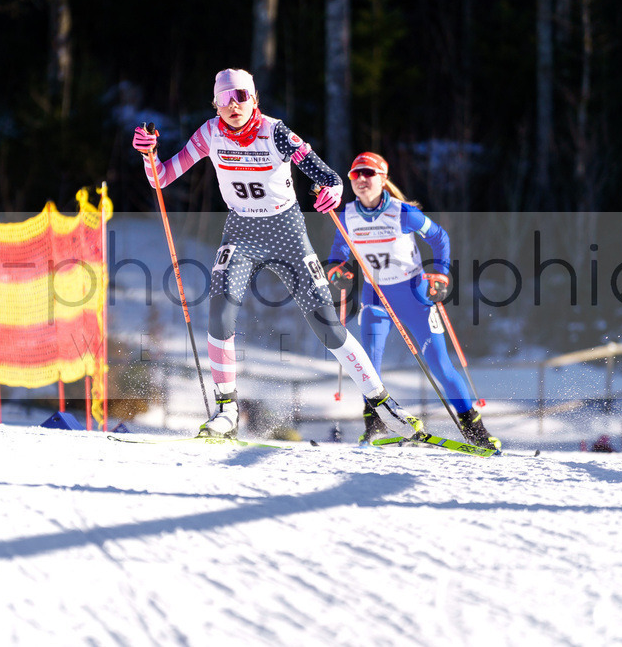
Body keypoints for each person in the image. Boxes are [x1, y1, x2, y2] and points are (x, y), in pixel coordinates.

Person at [132, 68, 421, 441]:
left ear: (254, 99)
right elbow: (160, 178)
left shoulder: (275, 132)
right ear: (215, 104)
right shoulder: (209, 133)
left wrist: (332, 190)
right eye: (224, 98)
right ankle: (227, 410)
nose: (233, 105)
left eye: (241, 96)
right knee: (219, 314)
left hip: (286, 232)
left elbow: (327, 175)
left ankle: (382, 402)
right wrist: (149, 153)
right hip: (241, 231)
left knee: (327, 325)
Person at [325, 152, 501, 450]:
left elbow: (439, 238)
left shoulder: (403, 213)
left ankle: (476, 431)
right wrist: (336, 271)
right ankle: (375, 424)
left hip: (413, 295)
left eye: (369, 173)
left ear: (383, 178)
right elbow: (338, 252)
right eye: (355, 174)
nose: (361, 179)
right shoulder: (347, 215)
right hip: (375, 297)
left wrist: (440, 275)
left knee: (440, 366)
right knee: (368, 367)